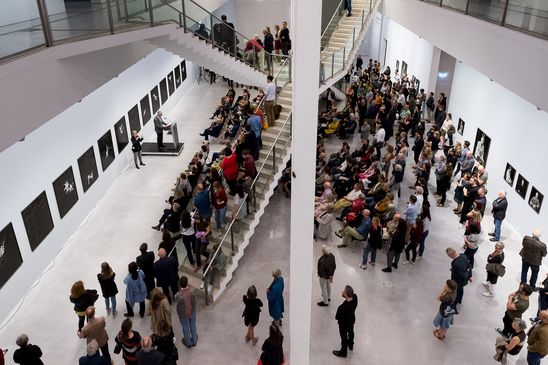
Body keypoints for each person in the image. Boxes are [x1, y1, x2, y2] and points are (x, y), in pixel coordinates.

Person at [333, 285, 358, 358]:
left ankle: (343, 352)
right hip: (351, 320)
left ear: (346, 295)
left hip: (343, 325)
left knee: (343, 337)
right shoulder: (355, 298)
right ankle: (350, 344)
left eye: (344, 291)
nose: (342, 291)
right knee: (351, 332)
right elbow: (353, 295)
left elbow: (337, 317)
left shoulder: (342, 307)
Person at [174, 276, 198, 348]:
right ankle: (194, 340)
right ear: (187, 283)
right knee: (193, 325)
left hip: (183, 314)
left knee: (185, 327)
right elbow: (193, 288)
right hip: (192, 311)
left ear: (180, 284)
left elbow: (176, 300)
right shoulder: (192, 291)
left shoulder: (177, 295)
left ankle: (188, 343)